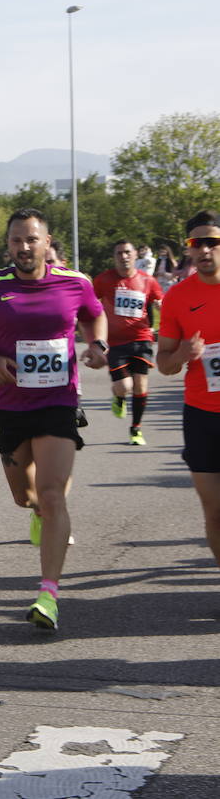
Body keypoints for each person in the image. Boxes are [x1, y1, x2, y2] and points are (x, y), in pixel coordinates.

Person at [0, 208, 107, 631]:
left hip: (58, 400)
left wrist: (98, 344)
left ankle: (48, 595)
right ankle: (36, 511)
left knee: (53, 492)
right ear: (9, 245)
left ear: (47, 241)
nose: (24, 247)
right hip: (10, 406)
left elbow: (94, 314)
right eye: (17, 240)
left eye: (32, 240)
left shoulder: (75, 282)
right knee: (26, 496)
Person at [157, 210, 220, 570]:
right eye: (198, 243)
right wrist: (182, 353)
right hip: (201, 416)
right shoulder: (178, 298)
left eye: (213, 242)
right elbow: (164, 364)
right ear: (189, 249)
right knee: (214, 511)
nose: (206, 250)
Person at [93, 240, 164, 445]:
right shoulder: (104, 280)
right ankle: (119, 397)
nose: (123, 257)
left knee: (140, 385)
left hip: (141, 338)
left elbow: (159, 302)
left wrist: (161, 307)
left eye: (127, 252)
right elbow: (89, 302)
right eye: (119, 253)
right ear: (114, 257)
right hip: (114, 342)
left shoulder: (147, 280)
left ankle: (136, 429)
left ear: (135, 256)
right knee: (124, 386)